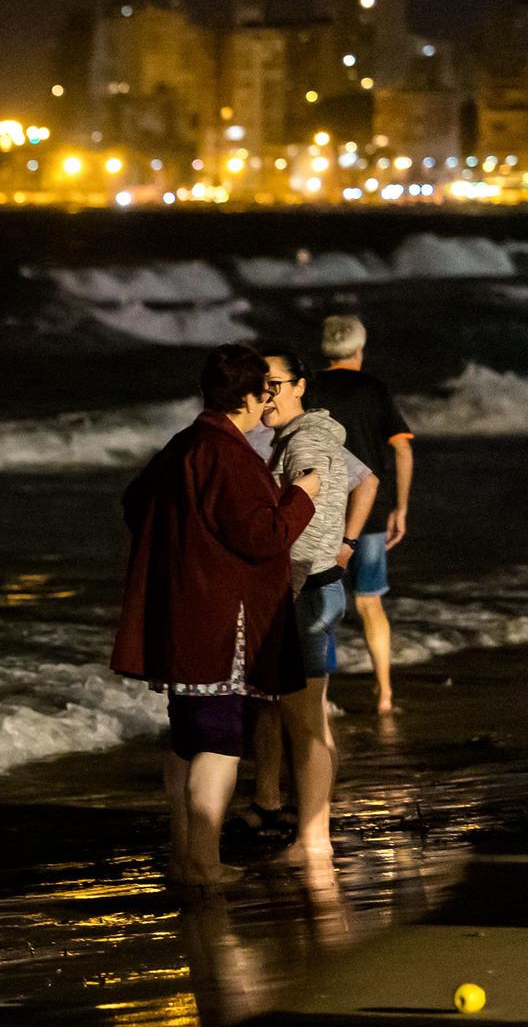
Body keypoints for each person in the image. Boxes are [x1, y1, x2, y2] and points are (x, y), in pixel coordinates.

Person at [113, 344, 318, 888]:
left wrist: (184, 548)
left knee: (186, 744)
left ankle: (185, 858)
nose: (264, 404)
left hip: (180, 616)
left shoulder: (184, 444)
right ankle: (203, 863)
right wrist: (302, 495)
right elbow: (262, 535)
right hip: (219, 621)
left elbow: (136, 503)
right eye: (262, 393)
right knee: (219, 745)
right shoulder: (227, 454)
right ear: (251, 396)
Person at [242, 347, 351, 862]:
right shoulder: (302, 436)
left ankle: (314, 841)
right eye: (259, 384)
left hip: (305, 588)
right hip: (315, 584)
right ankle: (315, 833)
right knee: (308, 721)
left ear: (301, 385)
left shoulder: (305, 440)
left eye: (275, 384)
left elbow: (308, 506)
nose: (266, 394)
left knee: (305, 723)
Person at [304, 314, 414, 713]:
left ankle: (321, 696)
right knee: (370, 602)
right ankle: (384, 692)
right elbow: (401, 448)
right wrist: (400, 507)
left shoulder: (309, 388)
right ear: (359, 349)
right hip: (369, 511)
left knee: (322, 601)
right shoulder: (374, 389)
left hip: (321, 509)